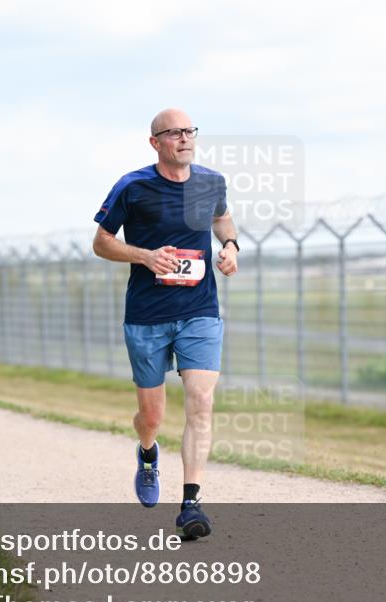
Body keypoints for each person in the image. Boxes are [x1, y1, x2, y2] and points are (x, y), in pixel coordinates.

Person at [92, 108, 239, 541]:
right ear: (155, 142)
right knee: (152, 416)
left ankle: (191, 503)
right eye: (173, 133)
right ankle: (147, 452)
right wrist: (145, 256)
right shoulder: (132, 186)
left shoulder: (211, 182)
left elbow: (221, 218)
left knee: (200, 401)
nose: (184, 138)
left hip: (200, 311)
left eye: (189, 131)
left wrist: (230, 246)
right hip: (147, 316)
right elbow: (101, 242)